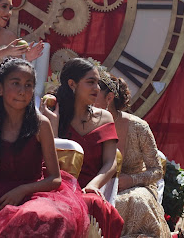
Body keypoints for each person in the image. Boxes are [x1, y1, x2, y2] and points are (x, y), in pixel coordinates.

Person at [0, 58, 89, 238]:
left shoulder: (40, 124)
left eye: (28, 85)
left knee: (41, 216)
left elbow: (55, 178)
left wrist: (22, 190)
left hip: (35, 192)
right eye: (16, 83)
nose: (22, 91)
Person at [40, 57, 124, 238]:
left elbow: (111, 162)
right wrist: (52, 127)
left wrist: (93, 185)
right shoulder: (54, 113)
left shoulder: (105, 117)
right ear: (72, 84)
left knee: (92, 203)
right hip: (58, 187)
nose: (97, 89)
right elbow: (48, 163)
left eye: (98, 83)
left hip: (91, 190)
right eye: (91, 82)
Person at [94, 70, 170, 237]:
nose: (90, 101)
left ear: (109, 98)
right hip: (99, 187)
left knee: (136, 201)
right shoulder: (86, 124)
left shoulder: (138, 127)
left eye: (95, 95)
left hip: (138, 187)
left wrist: (131, 180)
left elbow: (157, 171)